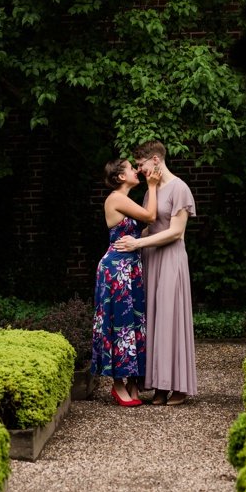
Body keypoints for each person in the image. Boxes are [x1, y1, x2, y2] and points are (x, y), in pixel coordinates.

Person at [112, 140, 197, 405]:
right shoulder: (151, 191)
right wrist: (126, 242)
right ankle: (159, 386)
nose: (139, 169)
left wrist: (137, 243)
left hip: (171, 258)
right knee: (153, 321)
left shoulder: (180, 188)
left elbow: (175, 232)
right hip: (150, 258)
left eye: (141, 164)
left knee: (171, 319)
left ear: (156, 161)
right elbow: (151, 227)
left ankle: (178, 386)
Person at [92, 157, 158, 406]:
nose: (136, 171)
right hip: (116, 270)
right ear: (121, 177)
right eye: (132, 168)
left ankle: (131, 381)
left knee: (132, 323)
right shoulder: (116, 198)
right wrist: (152, 186)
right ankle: (118, 383)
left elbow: (136, 232)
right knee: (118, 323)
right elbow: (150, 216)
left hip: (130, 269)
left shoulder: (125, 200)